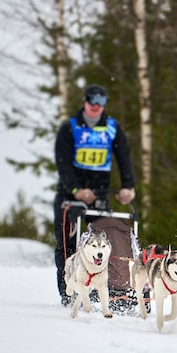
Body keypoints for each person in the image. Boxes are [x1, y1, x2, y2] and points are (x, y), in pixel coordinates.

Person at [53, 84, 136, 306]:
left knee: (101, 244)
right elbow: (63, 164)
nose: (96, 107)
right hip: (69, 199)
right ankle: (68, 294)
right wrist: (76, 189)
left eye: (101, 102)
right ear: (85, 102)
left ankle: (103, 290)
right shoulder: (70, 129)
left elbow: (124, 158)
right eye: (92, 101)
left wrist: (128, 186)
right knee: (68, 247)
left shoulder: (111, 128)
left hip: (99, 196)